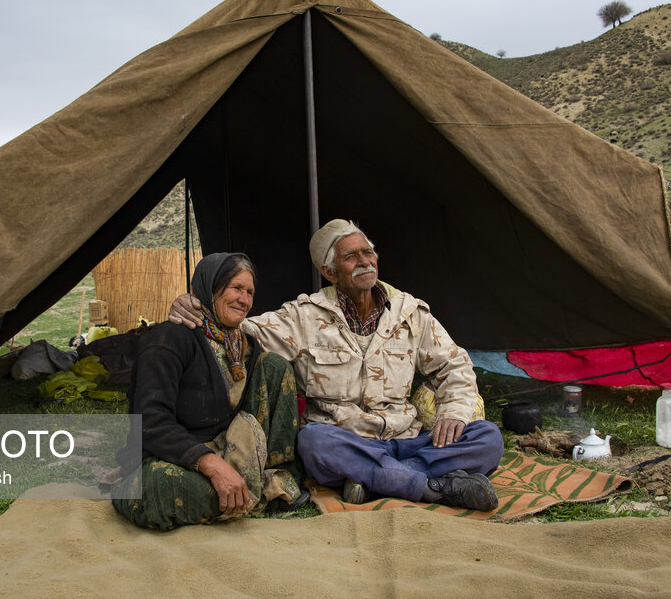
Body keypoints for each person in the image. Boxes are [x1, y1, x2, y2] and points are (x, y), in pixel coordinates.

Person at [169, 220, 504, 511]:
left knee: (488, 437)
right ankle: (431, 483)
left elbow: (454, 365)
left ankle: (380, 478)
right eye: (351, 256)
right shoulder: (303, 317)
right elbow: (240, 328)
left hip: (409, 437)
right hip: (344, 441)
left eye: (367, 253)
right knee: (312, 442)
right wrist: (194, 306)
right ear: (329, 272)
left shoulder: (409, 313)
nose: (364, 262)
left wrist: (454, 412)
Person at [112, 252, 306, 531]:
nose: (244, 299)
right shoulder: (169, 339)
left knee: (275, 366)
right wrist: (210, 464)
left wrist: (226, 462)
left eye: (250, 292)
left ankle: (271, 479)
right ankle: (257, 494)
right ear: (209, 287)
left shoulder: (244, 346)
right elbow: (149, 422)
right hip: (173, 458)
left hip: (231, 452)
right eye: (236, 288)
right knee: (158, 485)